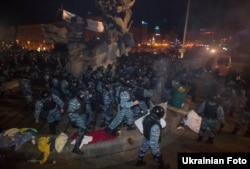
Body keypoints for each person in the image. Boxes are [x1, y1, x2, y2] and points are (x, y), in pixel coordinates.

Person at [67, 89, 87, 155]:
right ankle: (76, 148)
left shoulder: (82, 98)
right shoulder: (73, 101)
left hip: (82, 116)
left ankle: (83, 131)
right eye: (82, 95)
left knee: (82, 129)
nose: (83, 95)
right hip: (77, 117)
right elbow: (70, 112)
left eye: (83, 94)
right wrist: (72, 121)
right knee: (81, 132)